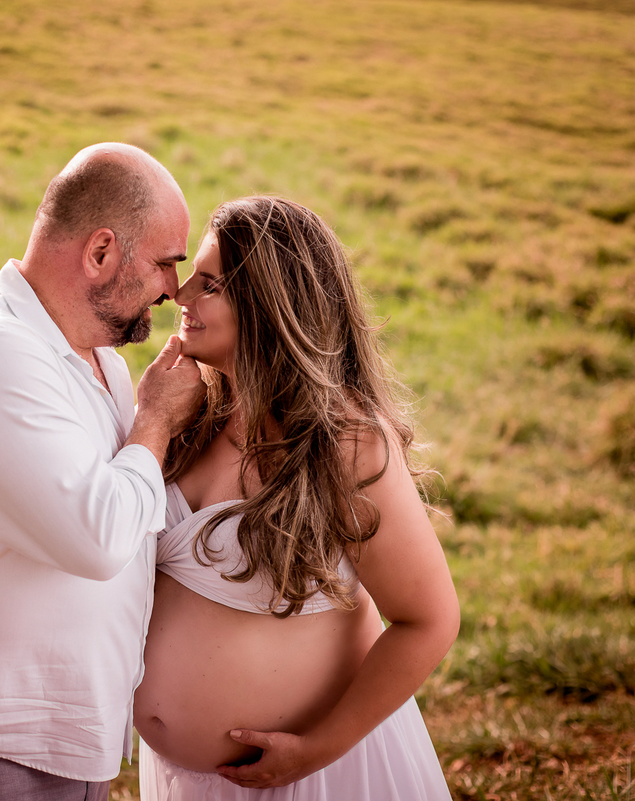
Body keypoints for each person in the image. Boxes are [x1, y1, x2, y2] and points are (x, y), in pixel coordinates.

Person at [0, 143, 205, 801]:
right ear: (101, 252)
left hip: (68, 739)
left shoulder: (102, 363)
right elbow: (96, 536)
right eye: (165, 262)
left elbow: (136, 516)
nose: (175, 288)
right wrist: (156, 421)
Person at [133, 196, 460, 799]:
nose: (180, 294)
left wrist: (319, 749)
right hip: (187, 783)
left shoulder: (345, 444)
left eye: (210, 285)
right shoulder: (188, 412)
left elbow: (429, 621)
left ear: (268, 308)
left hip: (314, 779)